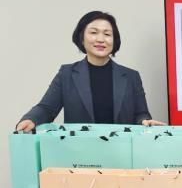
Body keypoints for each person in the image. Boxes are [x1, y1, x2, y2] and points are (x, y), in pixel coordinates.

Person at [16, 11, 164, 132]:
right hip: (80, 152)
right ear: (81, 38)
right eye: (93, 32)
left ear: (114, 41)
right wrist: (31, 119)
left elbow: (141, 114)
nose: (100, 39)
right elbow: (46, 108)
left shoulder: (131, 76)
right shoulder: (67, 74)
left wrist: (144, 121)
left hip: (121, 151)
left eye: (107, 34)